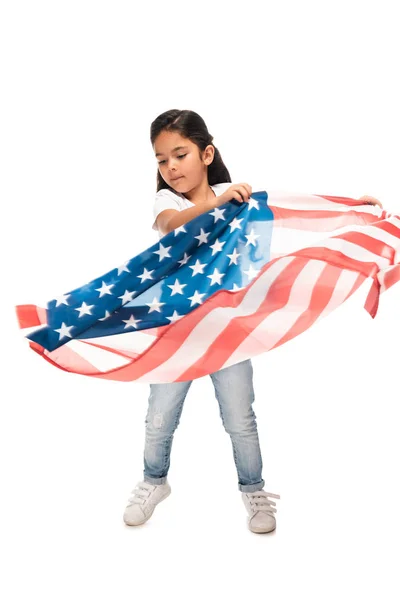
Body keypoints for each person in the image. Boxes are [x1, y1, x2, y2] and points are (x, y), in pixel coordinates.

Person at [123, 109, 383, 534]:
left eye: (180, 154)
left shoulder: (237, 197)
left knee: (240, 417)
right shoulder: (168, 202)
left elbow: (289, 216)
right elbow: (172, 228)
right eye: (161, 159)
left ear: (206, 153)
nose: (170, 167)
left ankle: (253, 491)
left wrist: (352, 211)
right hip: (177, 330)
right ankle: (154, 481)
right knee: (159, 416)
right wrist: (219, 204)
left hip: (227, 332)